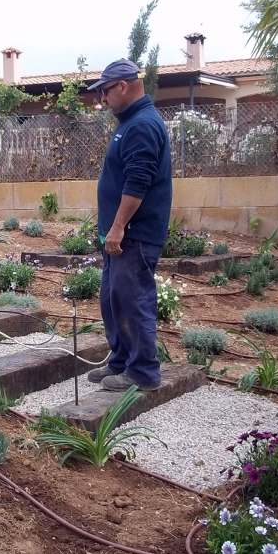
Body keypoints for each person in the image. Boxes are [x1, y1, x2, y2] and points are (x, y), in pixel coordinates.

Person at [85, 59, 172, 392]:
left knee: (133, 301)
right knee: (112, 300)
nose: (103, 99)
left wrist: (119, 226)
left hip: (133, 235)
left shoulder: (142, 125)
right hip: (120, 236)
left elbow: (138, 182)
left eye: (105, 91)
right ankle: (121, 360)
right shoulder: (130, 122)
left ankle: (143, 371)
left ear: (122, 85)